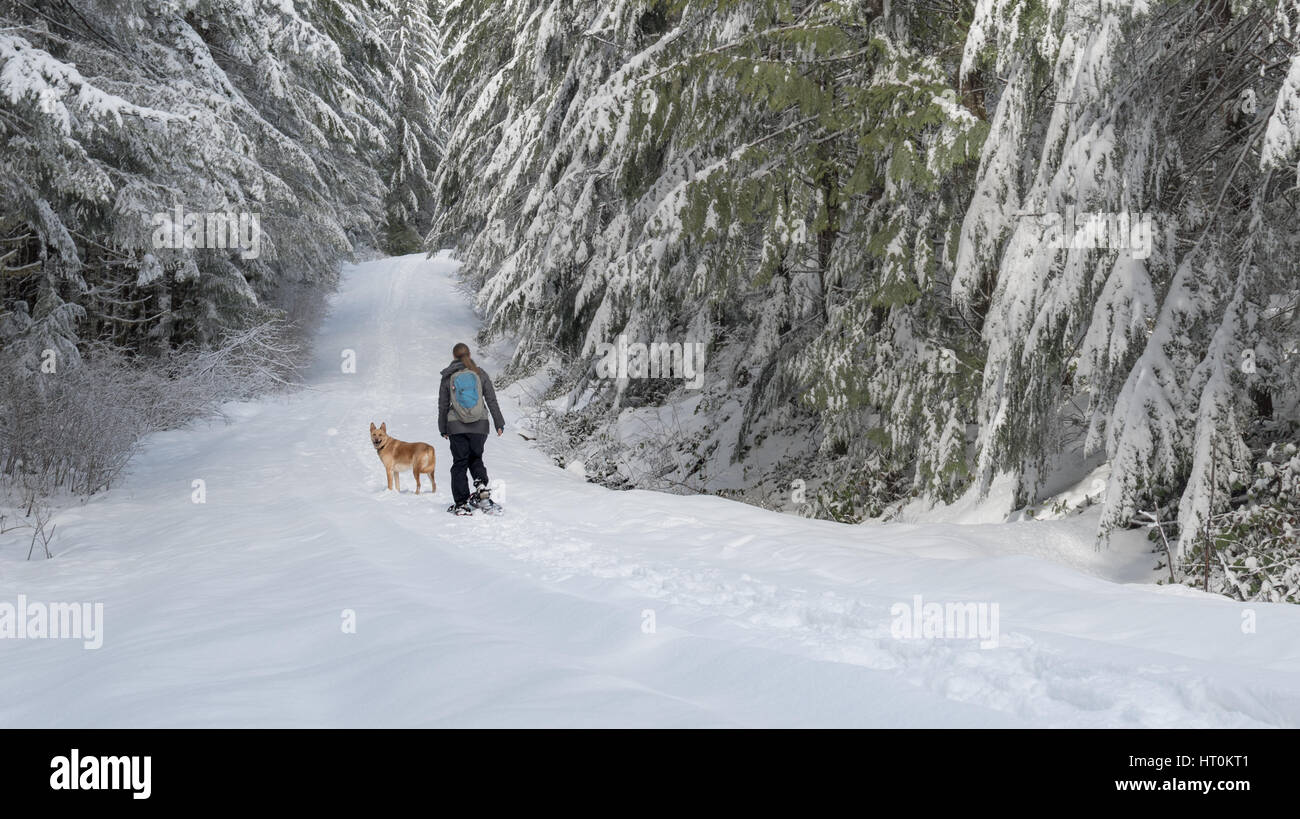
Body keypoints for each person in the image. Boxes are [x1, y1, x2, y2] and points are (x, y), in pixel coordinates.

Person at [438, 342, 505, 515]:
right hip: (480, 425)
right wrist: (499, 422)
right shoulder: (480, 373)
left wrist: (443, 427)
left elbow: (443, 405)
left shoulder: (448, 376)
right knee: (476, 458)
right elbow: (491, 400)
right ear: (469, 354)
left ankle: (461, 503)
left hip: (456, 426)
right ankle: (481, 487)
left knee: (459, 463)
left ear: (454, 356)